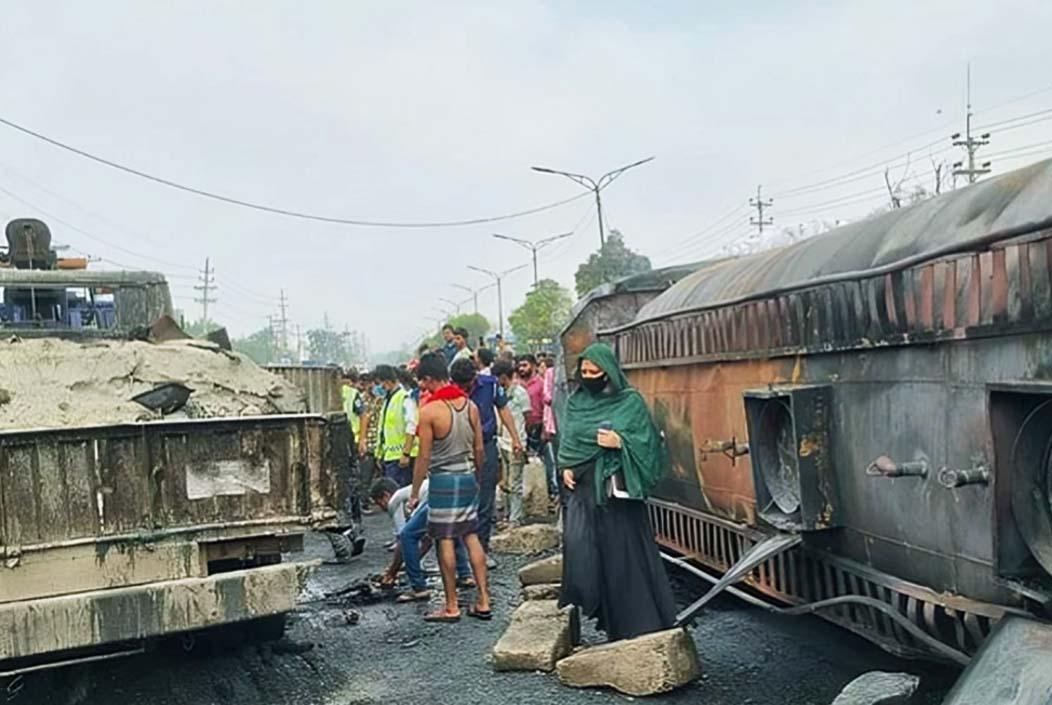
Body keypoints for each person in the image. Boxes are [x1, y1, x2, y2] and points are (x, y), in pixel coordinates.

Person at [558, 342, 677, 642]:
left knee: (625, 558)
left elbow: (649, 444)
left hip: (617, 499)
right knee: (591, 555)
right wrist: (567, 467)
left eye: (593, 371)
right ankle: (611, 627)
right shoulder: (576, 402)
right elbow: (570, 441)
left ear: (608, 372)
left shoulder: (630, 402)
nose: (587, 376)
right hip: (586, 495)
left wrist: (621, 442)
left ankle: (642, 626)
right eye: (583, 371)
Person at [409, 353, 491, 622]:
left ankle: (452, 605)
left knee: (444, 538)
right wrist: (476, 478)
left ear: (431, 379)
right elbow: (479, 449)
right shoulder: (470, 407)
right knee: (471, 536)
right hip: (467, 476)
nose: (423, 388)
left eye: (424, 383)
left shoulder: (429, 411)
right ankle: (483, 600)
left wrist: (414, 491)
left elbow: (423, 457)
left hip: (443, 481)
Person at [450, 357, 522, 555]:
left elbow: (504, 410)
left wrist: (515, 438)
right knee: (461, 498)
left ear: (475, 377)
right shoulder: (449, 391)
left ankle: (481, 549)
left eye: (469, 384)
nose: (467, 389)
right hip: (460, 448)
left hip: (487, 446)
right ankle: (462, 552)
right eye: (462, 386)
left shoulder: (490, 385)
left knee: (485, 497)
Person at [371, 477, 474, 603]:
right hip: (456, 492)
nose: (382, 508)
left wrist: (392, 573)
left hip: (436, 495)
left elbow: (402, 540)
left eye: (379, 503)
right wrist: (409, 562)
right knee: (450, 532)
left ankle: (418, 588)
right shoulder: (411, 493)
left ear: (385, 496)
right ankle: (465, 575)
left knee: (407, 535)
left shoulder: (395, 500)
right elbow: (427, 540)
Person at [494, 360, 530, 527]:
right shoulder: (500, 393)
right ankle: (509, 516)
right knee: (506, 484)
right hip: (503, 442)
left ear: (503, 377)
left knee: (515, 483)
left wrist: (521, 439)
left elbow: (528, 417)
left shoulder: (520, 393)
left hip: (517, 443)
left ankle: (516, 518)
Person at [374, 364, 419, 487]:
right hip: (390, 457)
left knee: (400, 496)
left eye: (380, 383)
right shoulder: (388, 400)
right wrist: (379, 454)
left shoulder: (405, 398)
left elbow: (412, 425)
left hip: (401, 459)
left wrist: (406, 453)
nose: (380, 387)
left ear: (387, 382)